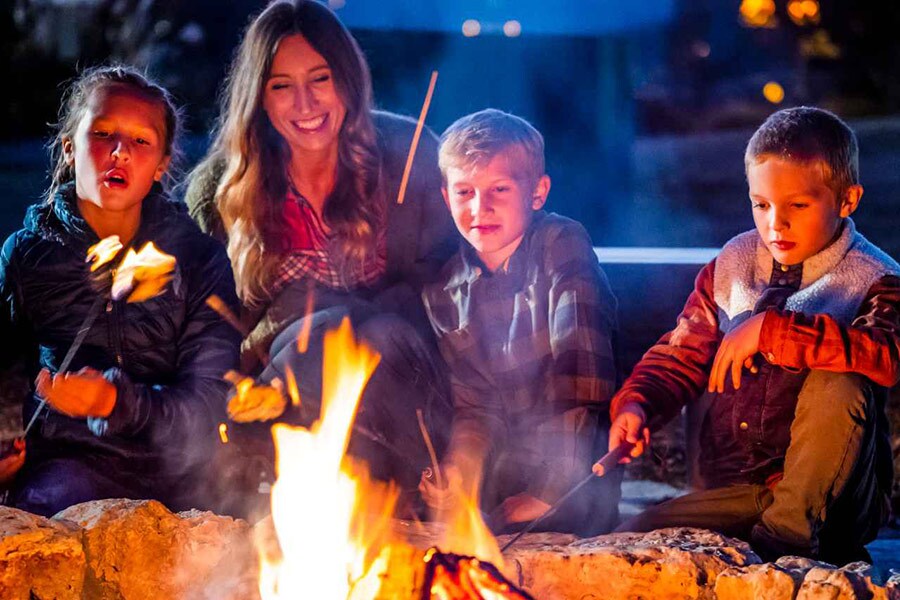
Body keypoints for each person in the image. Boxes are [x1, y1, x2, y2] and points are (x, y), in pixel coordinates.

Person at [183, 0, 456, 507]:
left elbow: (450, 297)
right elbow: (208, 334)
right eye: (281, 85)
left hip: (407, 405)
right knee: (318, 323)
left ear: (348, 80)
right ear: (259, 98)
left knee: (357, 327)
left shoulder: (408, 156)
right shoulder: (219, 192)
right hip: (282, 424)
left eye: (320, 79)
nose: (305, 103)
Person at [609, 107, 900, 564]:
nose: (775, 224)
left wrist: (770, 332)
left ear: (847, 200)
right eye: (761, 204)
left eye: (797, 206)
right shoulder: (732, 266)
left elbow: (886, 355)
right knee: (632, 537)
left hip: (837, 503)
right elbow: (681, 353)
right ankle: (759, 532)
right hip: (737, 490)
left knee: (842, 377)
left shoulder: (877, 279)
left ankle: (786, 542)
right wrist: (638, 403)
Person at [0, 65, 241, 517]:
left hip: (183, 475)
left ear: (161, 165)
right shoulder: (26, 258)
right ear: (69, 148)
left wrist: (116, 403)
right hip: (70, 467)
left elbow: (211, 404)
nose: (121, 152)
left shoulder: (197, 261)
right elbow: (7, 380)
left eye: (141, 141)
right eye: (103, 133)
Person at [418, 109, 620, 535]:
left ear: (538, 192)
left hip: (577, 470)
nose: (480, 207)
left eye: (499, 189)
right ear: (446, 195)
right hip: (504, 470)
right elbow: (475, 408)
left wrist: (549, 492)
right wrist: (459, 473)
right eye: (464, 192)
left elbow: (581, 381)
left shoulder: (560, 245)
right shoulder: (443, 292)